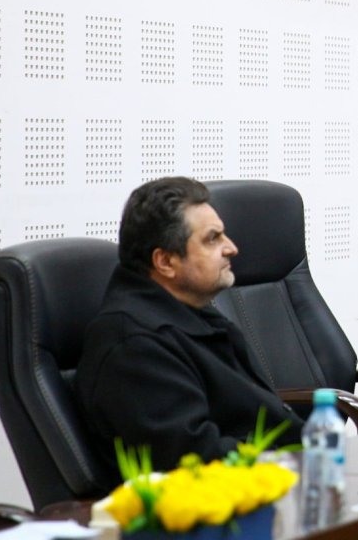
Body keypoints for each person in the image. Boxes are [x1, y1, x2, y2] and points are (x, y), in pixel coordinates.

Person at [75, 177, 303, 471]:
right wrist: (286, 460)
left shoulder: (192, 314)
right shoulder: (134, 346)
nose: (231, 248)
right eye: (212, 239)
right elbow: (193, 458)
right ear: (165, 262)